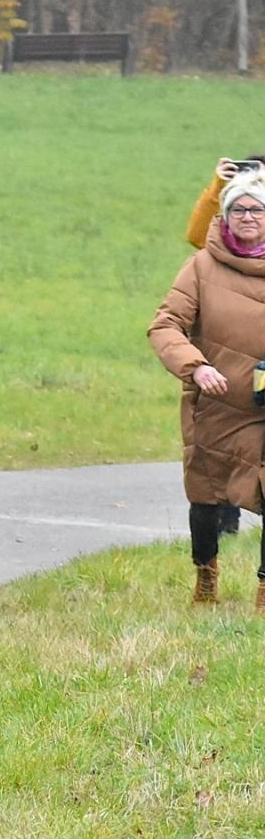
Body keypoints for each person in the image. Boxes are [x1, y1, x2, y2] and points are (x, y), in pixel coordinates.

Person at [151, 168, 265, 612]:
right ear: (225, 214)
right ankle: (205, 577)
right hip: (215, 405)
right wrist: (195, 367)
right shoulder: (201, 266)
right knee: (205, 496)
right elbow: (165, 326)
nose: (248, 216)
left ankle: (264, 589)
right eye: (239, 209)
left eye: (257, 209)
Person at [182, 156, 265, 535]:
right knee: (221, 445)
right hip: (224, 346)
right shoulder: (226, 224)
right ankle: (224, 522)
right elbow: (199, 235)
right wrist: (217, 186)